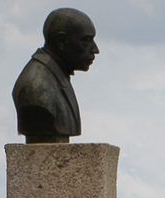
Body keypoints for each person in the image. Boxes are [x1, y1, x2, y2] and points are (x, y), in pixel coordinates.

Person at [11, 7, 99, 142]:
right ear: (61, 41)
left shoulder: (56, 77)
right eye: (86, 40)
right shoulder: (35, 86)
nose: (95, 50)